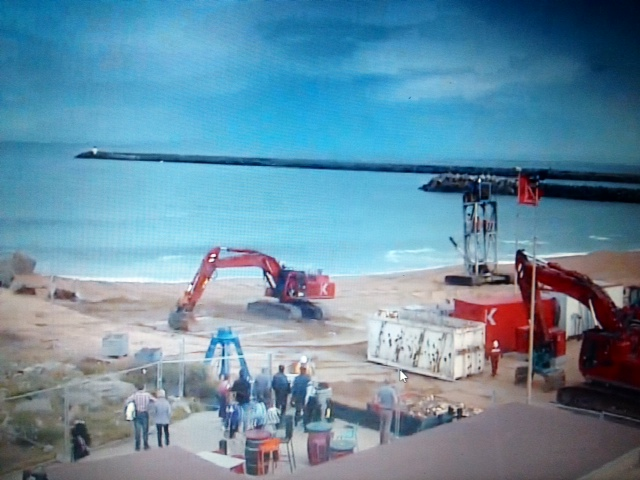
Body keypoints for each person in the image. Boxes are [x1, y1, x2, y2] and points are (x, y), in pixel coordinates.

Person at [124, 383, 156, 451]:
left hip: (137, 414)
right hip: (145, 413)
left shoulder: (134, 395)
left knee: (137, 431)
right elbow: (154, 400)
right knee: (145, 430)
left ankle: (137, 446)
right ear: (144, 387)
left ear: (136, 388)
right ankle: (145, 445)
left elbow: (127, 401)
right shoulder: (147, 395)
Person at [375, 378, 398, 445]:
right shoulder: (392, 390)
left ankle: (381, 441)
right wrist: (393, 406)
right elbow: (395, 400)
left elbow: (376, 400)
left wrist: (380, 404)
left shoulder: (380, 390)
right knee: (387, 426)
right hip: (389, 410)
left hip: (381, 410)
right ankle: (385, 442)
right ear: (389, 383)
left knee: (382, 425)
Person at [231, 368, 252, 432]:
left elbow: (232, 390)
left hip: (238, 400)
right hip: (246, 400)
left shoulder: (236, 382)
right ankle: (245, 429)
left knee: (238, 414)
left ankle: (237, 427)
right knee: (246, 414)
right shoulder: (247, 383)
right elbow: (249, 390)